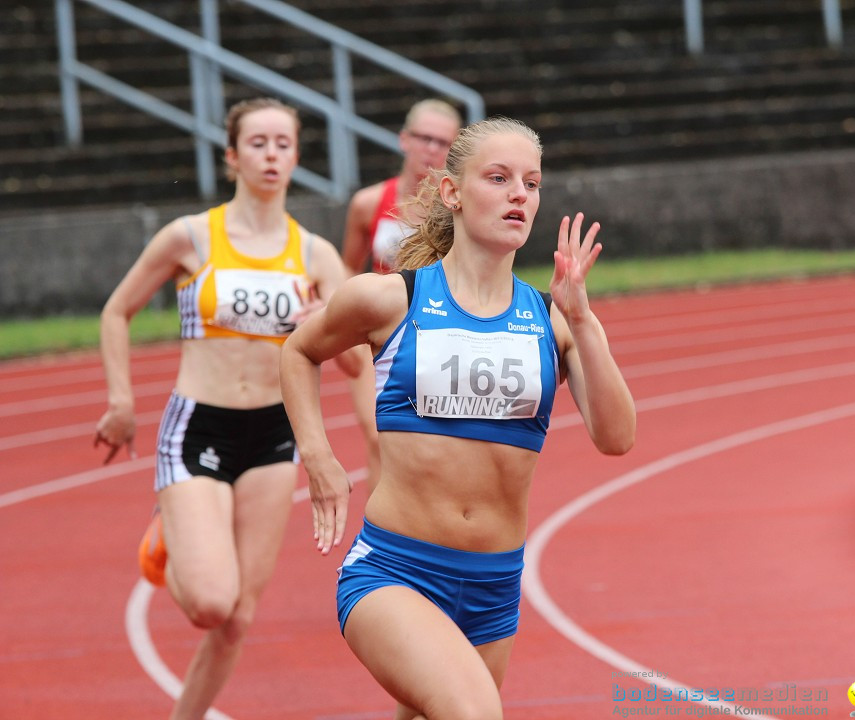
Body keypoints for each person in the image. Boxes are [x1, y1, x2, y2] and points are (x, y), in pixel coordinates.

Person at [279, 117, 636, 719]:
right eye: (498, 178)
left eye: (532, 182)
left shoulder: (553, 319)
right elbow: (298, 351)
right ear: (452, 193)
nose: (519, 194)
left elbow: (617, 437)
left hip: (494, 584)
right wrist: (318, 457)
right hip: (396, 571)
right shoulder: (390, 299)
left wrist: (582, 322)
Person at [93, 97, 358, 720]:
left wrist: (329, 319)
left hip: (273, 433)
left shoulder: (315, 256)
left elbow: (355, 360)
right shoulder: (190, 237)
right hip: (198, 426)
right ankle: (170, 533)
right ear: (233, 156)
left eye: (283, 144)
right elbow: (116, 311)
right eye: (259, 143)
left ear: (296, 157)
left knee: (237, 619)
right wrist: (121, 401)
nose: (272, 155)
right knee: (210, 602)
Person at [340, 99, 463, 493]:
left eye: (443, 142)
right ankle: (380, 533)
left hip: (439, 334)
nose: (432, 149)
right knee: (381, 436)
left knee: (441, 444)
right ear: (404, 140)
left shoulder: (459, 209)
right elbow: (346, 267)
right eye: (424, 138)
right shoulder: (369, 204)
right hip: (376, 338)